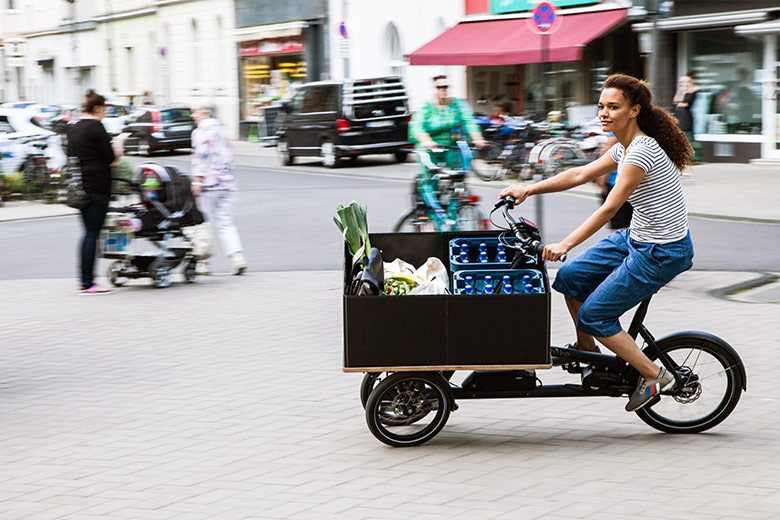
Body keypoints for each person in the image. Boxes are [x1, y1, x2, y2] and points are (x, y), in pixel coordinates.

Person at [500, 73, 694, 412]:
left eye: (613, 107)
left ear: (634, 110)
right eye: (602, 106)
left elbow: (610, 207)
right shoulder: (624, 146)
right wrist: (527, 189)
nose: (604, 113)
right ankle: (588, 353)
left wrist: (566, 243)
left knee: (595, 315)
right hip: (638, 238)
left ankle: (656, 375)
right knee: (570, 279)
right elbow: (578, 175)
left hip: (661, 252)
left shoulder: (641, 153)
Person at [67, 90, 126, 295]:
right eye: (104, 111)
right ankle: (87, 283)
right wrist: (118, 146)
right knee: (92, 234)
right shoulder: (96, 127)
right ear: (98, 108)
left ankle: (85, 280)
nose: (105, 115)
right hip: (98, 186)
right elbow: (111, 159)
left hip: (79, 189)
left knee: (88, 233)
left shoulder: (74, 129)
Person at [408, 75, 486, 228]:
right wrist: (426, 140)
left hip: (451, 146)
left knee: (458, 176)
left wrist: (477, 137)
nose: (443, 90)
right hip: (430, 147)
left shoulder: (457, 105)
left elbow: (468, 121)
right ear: (435, 89)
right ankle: (433, 214)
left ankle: (455, 207)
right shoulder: (426, 107)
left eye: (445, 87)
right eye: (439, 87)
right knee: (430, 180)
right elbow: (417, 125)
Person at [190, 101, 247, 275]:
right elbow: (229, 156)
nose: (193, 115)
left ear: (205, 113)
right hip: (228, 183)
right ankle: (237, 258)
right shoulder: (222, 130)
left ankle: (202, 263)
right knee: (226, 223)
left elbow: (201, 156)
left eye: (195, 112)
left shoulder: (200, 132)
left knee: (204, 223)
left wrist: (197, 181)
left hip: (210, 184)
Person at [595, 132, 633, 230]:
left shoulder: (616, 134)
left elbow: (606, 163)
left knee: (619, 229)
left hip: (616, 185)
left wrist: (602, 183)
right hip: (635, 185)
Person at [673, 72, 699, 160]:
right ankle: (683, 156)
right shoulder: (683, 91)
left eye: (686, 81)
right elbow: (676, 100)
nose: (684, 84)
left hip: (686, 115)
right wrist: (681, 90)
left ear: (691, 81)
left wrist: (680, 102)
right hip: (679, 115)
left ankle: (694, 156)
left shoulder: (693, 90)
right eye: (682, 82)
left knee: (688, 135)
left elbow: (685, 104)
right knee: (680, 134)